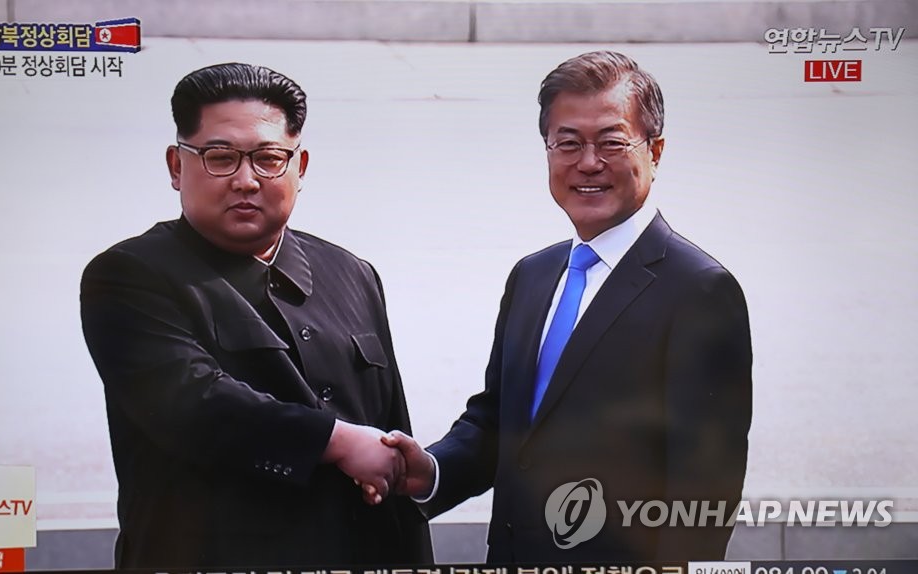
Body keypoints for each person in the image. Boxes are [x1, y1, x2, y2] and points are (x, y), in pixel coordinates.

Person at [384, 50, 752, 562]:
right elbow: (502, 422)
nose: (588, 162)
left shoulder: (699, 290)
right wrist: (431, 469)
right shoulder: (533, 276)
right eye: (569, 143)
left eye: (611, 142)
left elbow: (704, 492)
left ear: (656, 151)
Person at [80, 62, 432, 568]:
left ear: (300, 167)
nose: (245, 181)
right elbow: (193, 402)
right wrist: (336, 441)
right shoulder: (129, 275)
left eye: (268, 159)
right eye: (220, 158)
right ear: (176, 166)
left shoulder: (352, 273)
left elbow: (392, 440)